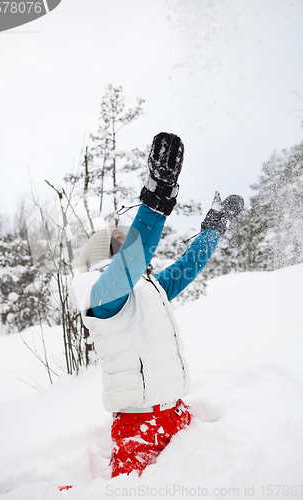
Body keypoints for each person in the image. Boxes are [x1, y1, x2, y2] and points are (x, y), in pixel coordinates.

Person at [70, 132, 244, 477]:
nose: (127, 244)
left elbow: (186, 267)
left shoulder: (147, 289)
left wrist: (212, 230)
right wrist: (156, 201)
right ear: (104, 260)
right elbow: (135, 258)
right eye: (119, 243)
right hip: (140, 427)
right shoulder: (102, 296)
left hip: (175, 412)